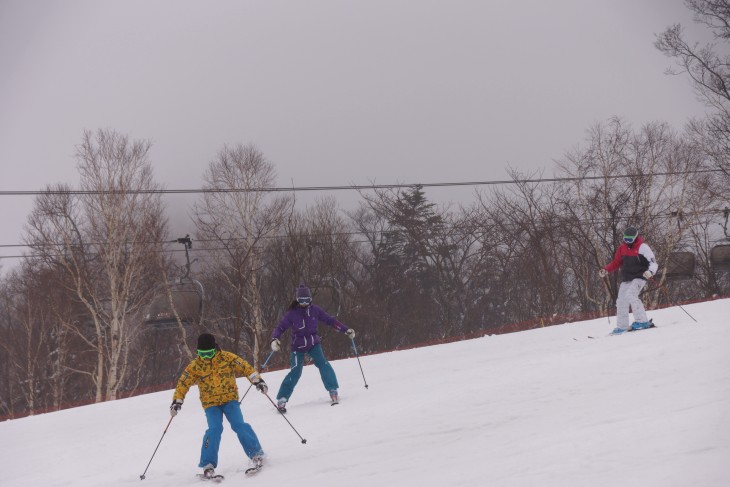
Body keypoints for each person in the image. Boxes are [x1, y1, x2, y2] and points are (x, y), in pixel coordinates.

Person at [170, 333, 268, 479]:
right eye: (202, 354)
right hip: (211, 404)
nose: (206, 357)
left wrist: (258, 381)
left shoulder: (227, 358)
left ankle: (256, 454)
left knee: (239, 425)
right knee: (214, 430)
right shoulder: (195, 366)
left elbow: (245, 367)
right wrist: (177, 401)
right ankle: (207, 464)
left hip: (230, 401)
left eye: (209, 353)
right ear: (198, 352)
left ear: (215, 349)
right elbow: (183, 383)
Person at [271, 284, 356, 411]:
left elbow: (330, 321)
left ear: (310, 299)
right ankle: (282, 398)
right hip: (297, 346)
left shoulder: (315, 310)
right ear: (297, 300)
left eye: (307, 300)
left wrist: (345, 330)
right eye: (301, 300)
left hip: (313, 344)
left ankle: (333, 389)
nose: (304, 303)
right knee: (295, 372)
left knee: (323, 364)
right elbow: (280, 327)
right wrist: (275, 339)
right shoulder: (292, 314)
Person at [599, 226, 659, 335]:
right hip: (627, 277)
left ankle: (643, 321)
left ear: (635, 238)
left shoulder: (643, 247)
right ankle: (622, 326)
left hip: (640, 276)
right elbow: (617, 262)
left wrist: (650, 271)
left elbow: (653, 262)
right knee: (621, 301)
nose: (627, 242)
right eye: (625, 239)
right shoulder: (622, 248)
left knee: (631, 295)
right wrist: (606, 270)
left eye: (629, 240)